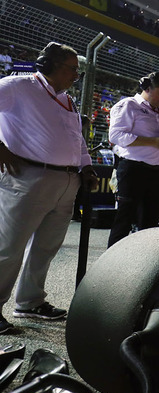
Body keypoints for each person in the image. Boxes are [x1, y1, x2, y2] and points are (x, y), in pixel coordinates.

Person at [0, 42, 98, 332]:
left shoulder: (67, 99)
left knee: (46, 247)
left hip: (66, 181)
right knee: (9, 247)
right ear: (51, 65)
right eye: (72, 69)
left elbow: (76, 140)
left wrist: (87, 165)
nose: (76, 76)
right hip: (28, 176)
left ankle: (30, 302)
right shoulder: (17, 86)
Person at [107, 72, 159, 247]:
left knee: (150, 222)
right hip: (134, 170)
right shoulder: (128, 105)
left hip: (158, 172)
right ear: (147, 88)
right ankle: (110, 262)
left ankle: (144, 263)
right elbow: (116, 135)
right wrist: (154, 142)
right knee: (124, 219)